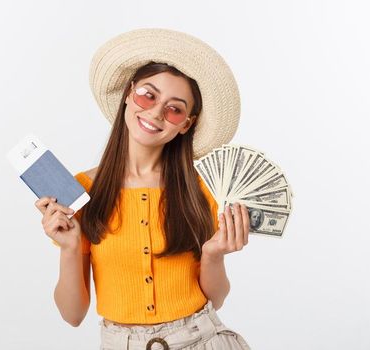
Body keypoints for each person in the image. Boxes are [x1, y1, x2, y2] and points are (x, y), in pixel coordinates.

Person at [37, 29, 253, 349]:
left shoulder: (201, 190)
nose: (154, 112)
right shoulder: (81, 190)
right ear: (128, 93)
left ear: (186, 125)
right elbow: (72, 314)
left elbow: (216, 299)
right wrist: (69, 248)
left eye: (174, 108)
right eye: (148, 95)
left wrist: (213, 255)